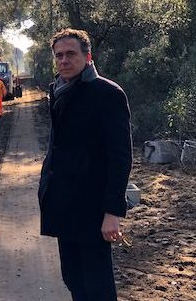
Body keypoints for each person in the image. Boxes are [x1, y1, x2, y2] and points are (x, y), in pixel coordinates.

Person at [38, 29, 132, 301]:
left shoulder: (108, 94)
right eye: (59, 55)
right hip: (63, 203)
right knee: (73, 279)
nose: (64, 60)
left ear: (88, 57)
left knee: (97, 286)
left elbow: (121, 157)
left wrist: (112, 212)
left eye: (71, 54)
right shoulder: (59, 89)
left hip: (93, 208)